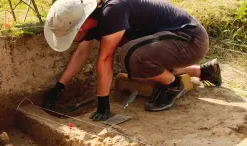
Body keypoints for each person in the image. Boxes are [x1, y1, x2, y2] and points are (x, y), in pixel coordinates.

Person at [42, 0, 222, 121]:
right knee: (138, 68)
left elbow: (105, 57)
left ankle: (173, 85)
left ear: (81, 25)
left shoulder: (113, 11)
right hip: (171, 42)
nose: (73, 38)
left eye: (71, 34)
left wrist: (103, 102)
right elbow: (81, 54)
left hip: (190, 38)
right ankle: (204, 71)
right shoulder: (93, 20)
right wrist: (60, 86)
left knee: (132, 57)